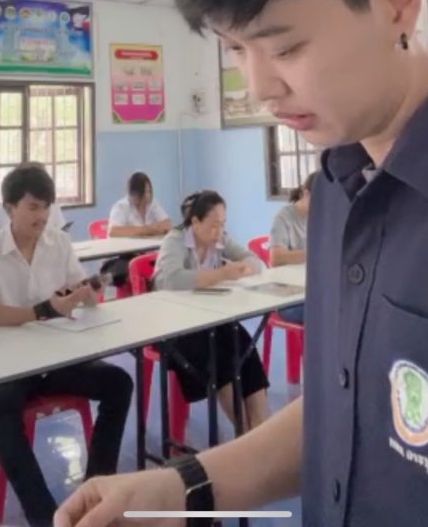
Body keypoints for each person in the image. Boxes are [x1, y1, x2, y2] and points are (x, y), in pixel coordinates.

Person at [55, 0, 428, 527]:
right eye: (235, 49)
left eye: (284, 46)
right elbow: (345, 408)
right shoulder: (336, 189)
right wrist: (180, 488)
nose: (259, 87)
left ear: (396, 0)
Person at [0, 161, 132, 527]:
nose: (41, 216)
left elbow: (77, 289)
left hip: (51, 358)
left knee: (119, 384)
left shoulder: (58, 241)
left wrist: (87, 293)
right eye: (32, 207)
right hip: (3, 364)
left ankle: (93, 496)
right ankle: (46, 518)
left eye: (46, 207)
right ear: (9, 208)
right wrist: (44, 310)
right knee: (1, 406)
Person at [153, 190, 269, 431]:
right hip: (176, 328)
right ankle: (245, 430)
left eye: (223, 224)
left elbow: (254, 260)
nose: (219, 232)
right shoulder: (175, 240)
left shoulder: (220, 239)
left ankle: (261, 425)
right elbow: (172, 280)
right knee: (219, 358)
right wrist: (222, 274)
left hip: (211, 319)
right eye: (213, 225)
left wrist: (246, 267)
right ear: (195, 222)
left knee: (244, 345)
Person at [269, 172, 315, 326]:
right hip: (287, 298)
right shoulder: (284, 217)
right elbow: (276, 258)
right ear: (305, 194)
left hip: (311, 290)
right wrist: (316, 254)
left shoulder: (322, 217)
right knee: (326, 313)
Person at [108, 171, 172, 239]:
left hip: (149, 243)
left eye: (149, 191)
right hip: (127, 245)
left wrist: (144, 230)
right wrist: (147, 230)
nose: (147, 196)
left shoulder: (152, 204)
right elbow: (113, 231)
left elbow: (167, 224)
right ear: (133, 193)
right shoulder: (121, 207)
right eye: (144, 192)